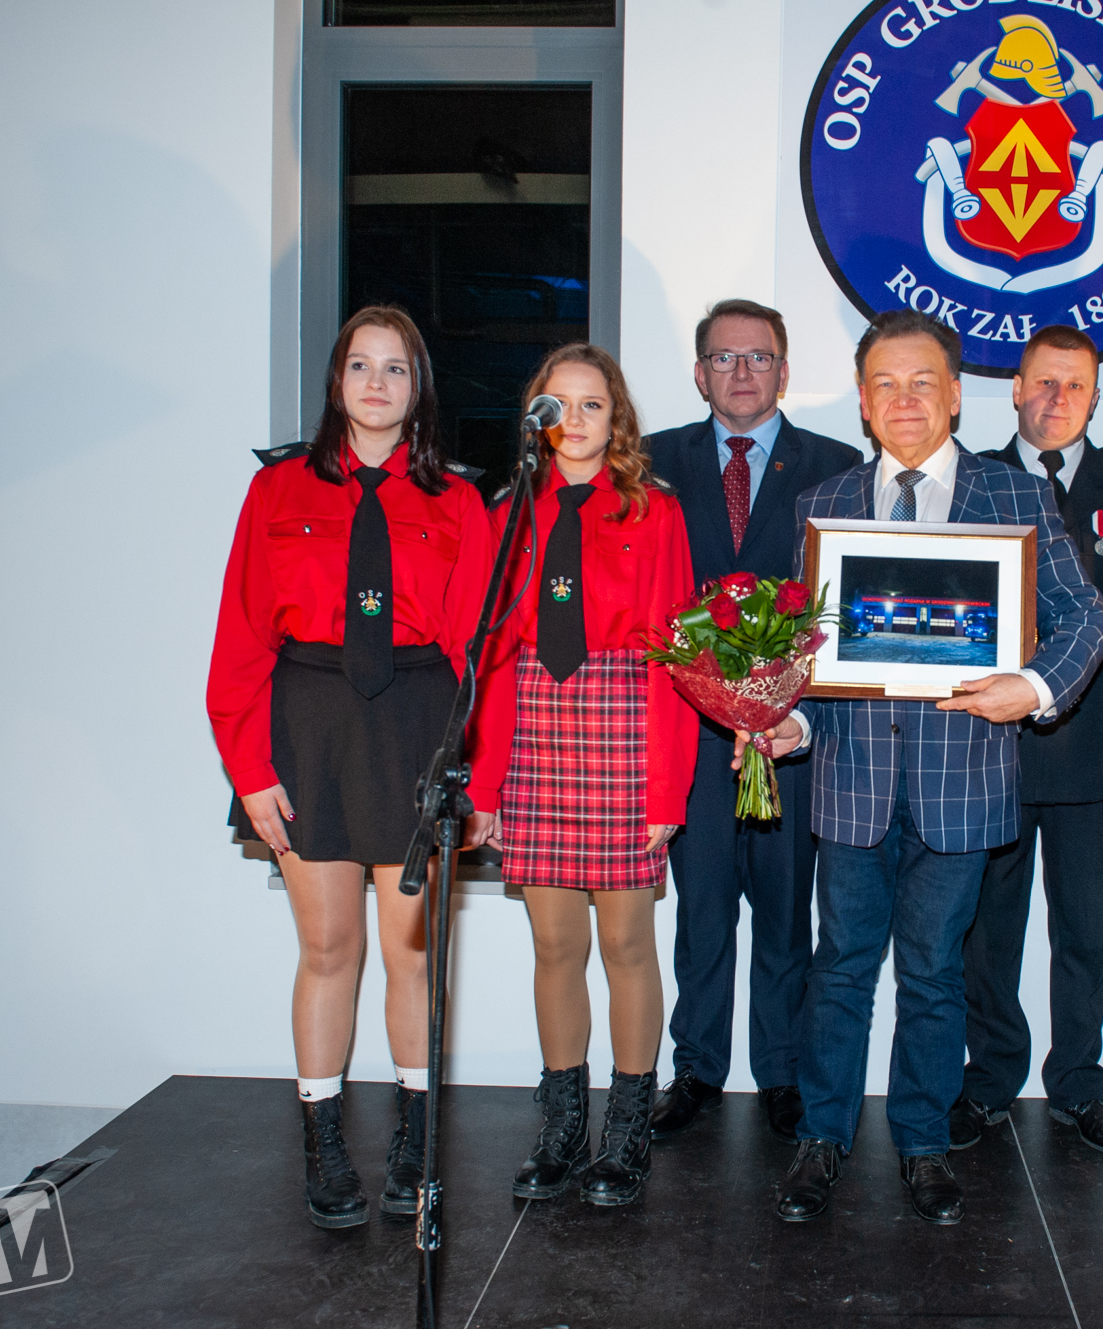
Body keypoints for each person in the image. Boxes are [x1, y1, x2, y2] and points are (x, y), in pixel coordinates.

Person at [749, 309, 1103, 1226]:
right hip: (850, 783)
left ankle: (921, 1141)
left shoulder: (1014, 496)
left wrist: (1032, 687)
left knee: (937, 974)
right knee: (839, 970)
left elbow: (1087, 618)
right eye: (885, 384)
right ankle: (822, 1137)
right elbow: (806, 653)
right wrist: (791, 720)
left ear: (955, 395)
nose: (903, 399)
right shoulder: (824, 503)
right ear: (863, 401)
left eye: (922, 382)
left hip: (966, 785)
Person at [208, 305, 495, 1228]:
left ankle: (416, 1138)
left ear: (419, 387)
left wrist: (481, 779)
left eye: (396, 368)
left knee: (413, 950)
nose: (377, 383)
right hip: (309, 727)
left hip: (418, 726)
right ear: (336, 381)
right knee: (329, 948)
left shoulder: (458, 500)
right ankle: (323, 1140)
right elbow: (241, 639)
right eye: (360, 366)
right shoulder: (277, 490)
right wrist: (250, 769)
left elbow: (480, 658)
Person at [464, 344, 698, 1208]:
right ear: (537, 415)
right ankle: (562, 1125)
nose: (575, 419)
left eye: (593, 404)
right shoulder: (506, 512)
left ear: (616, 417)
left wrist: (667, 788)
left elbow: (675, 653)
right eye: (558, 403)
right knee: (554, 945)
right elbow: (491, 659)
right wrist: (484, 784)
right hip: (534, 727)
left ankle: (627, 1130)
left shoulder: (654, 510)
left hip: (624, 727)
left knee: (627, 944)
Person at [644, 300, 862, 1143]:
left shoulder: (837, 466)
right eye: (724, 358)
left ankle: (782, 1072)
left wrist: (782, 704)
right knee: (700, 911)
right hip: (689, 736)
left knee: (785, 911)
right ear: (700, 373)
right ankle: (698, 1066)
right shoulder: (653, 463)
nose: (742, 372)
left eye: (759, 357)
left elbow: (843, 603)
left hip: (791, 736)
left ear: (784, 370)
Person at [951, 326, 1103, 1156]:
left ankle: (1077, 1086)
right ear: (1014, 388)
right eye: (1042, 382)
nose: (1056, 398)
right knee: (987, 936)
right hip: (989, 753)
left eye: (1074, 385)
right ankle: (991, 1079)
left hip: (1094, 759)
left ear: (1096, 396)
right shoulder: (971, 482)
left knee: (1083, 934)